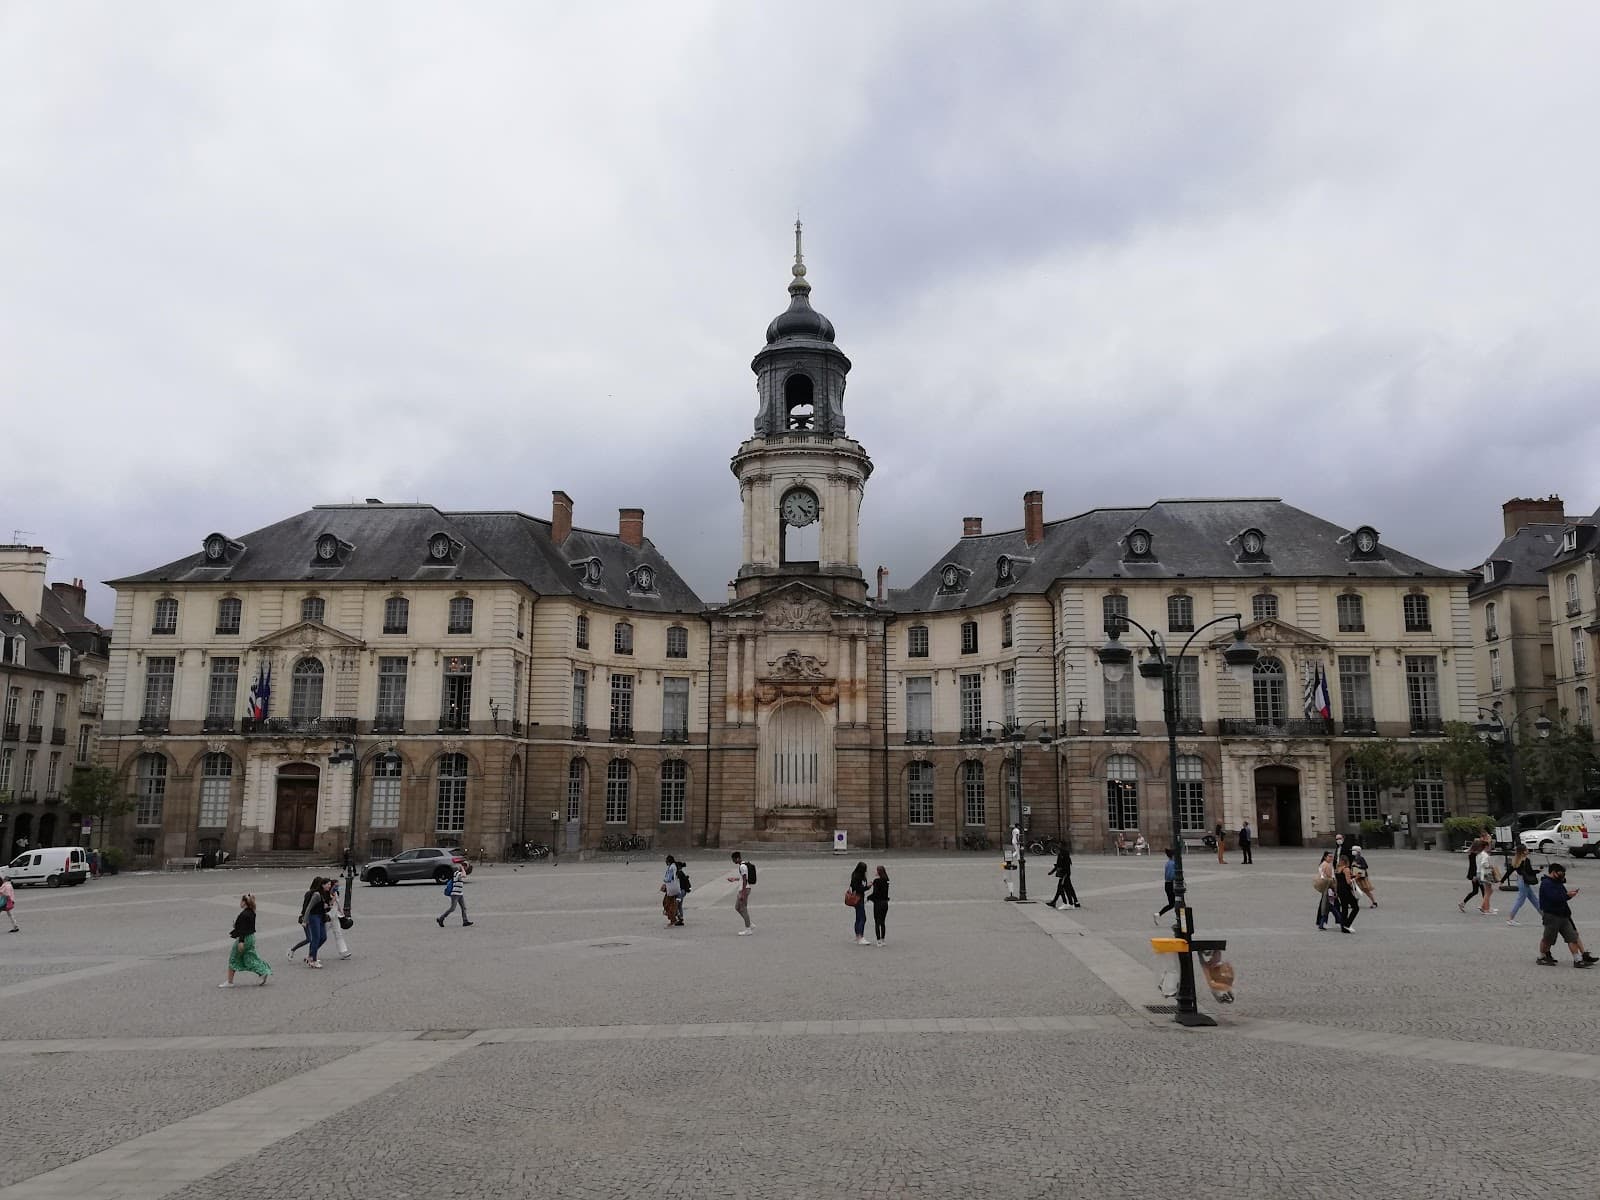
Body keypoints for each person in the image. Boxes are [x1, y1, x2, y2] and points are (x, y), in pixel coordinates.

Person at [1537, 863, 1597, 968]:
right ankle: (1542, 956)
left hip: (1564, 915)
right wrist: (1566, 895)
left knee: (1572, 937)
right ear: (1553, 872)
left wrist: (1569, 895)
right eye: (1560, 873)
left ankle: (1577, 960)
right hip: (1551, 915)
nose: (1562, 875)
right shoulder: (1546, 883)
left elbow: (1562, 897)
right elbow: (1553, 898)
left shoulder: (1558, 883)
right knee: (1548, 939)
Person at [219, 894, 272, 987]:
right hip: (251, 937)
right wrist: (237, 926)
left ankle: (229, 982)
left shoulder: (243, 914)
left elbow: (243, 929)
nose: (240, 903)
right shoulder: (252, 912)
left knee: (233, 958)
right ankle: (263, 972)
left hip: (245, 938)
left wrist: (241, 942)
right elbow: (246, 926)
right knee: (251, 958)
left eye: (241, 901)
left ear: (244, 902)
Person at [288, 876, 326, 960]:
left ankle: (310, 954)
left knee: (312, 939)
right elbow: (306, 906)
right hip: (307, 917)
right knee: (310, 939)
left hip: (310, 917)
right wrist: (304, 917)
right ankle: (293, 950)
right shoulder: (310, 893)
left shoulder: (317, 893)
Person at [1507, 847, 1540, 926]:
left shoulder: (1516, 860)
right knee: (1520, 900)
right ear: (1523, 852)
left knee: (1534, 899)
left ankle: (1545, 917)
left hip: (1520, 880)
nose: (1528, 851)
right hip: (1525, 881)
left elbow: (1510, 871)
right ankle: (1510, 918)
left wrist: (1502, 881)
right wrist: (1538, 871)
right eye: (1526, 850)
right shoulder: (1526, 860)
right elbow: (1530, 872)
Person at [302, 878, 329, 968]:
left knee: (323, 937)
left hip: (321, 917)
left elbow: (324, 906)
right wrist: (305, 921)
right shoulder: (316, 895)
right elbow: (309, 908)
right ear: (323, 885)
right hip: (314, 917)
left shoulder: (324, 894)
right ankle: (313, 960)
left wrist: (326, 906)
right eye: (328, 884)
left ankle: (310, 955)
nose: (329, 886)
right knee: (316, 938)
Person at [437, 861, 472, 927]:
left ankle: (465, 921)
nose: (466, 869)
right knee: (452, 908)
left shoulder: (459, 873)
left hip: (460, 894)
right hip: (455, 894)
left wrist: (463, 868)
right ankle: (441, 918)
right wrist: (462, 868)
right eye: (466, 867)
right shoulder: (457, 873)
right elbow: (464, 875)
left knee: (464, 908)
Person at [325, 877, 352, 959]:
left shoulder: (336, 893)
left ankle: (343, 951)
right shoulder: (327, 894)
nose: (337, 887)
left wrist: (342, 912)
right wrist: (333, 898)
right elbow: (328, 905)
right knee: (321, 935)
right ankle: (312, 951)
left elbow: (337, 904)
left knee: (338, 933)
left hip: (335, 916)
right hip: (328, 917)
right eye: (335, 886)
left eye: (338, 886)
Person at [1458, 836, 1486, 913]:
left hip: (1474, 874)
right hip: (1476, 874)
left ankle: (1462, 903)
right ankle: (1484, 906)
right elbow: (1474, 866)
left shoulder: (1473, 853)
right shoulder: (1474, 855)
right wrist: (1475, 876)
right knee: (1483, 890)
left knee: (1475, 891)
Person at [727, 851, 753, 935]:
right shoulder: (743, 865)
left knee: (743, 908)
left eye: (733, 859)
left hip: (744, 889)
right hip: (743, 888)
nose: (733, 861)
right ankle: (749, 923)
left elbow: (745, 880)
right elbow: (743, 878)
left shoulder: (742, 867)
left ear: (737, 858)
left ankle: (748, 929)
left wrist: (743, 893)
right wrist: (734, 879)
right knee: (737, 907)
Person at [1047, 842, 1079, 909]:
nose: (1056, 850)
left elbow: (1061, 865)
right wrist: (1052, 871)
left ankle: (1068, 903)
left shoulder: (1063, 854)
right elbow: (1059, 864)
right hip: (1065, 873)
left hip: (1064, 874)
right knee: (1068, 887)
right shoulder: (1062, 853)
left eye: (1059, 845)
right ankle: (1075, 901)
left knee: (1061, 888)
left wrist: (1054, 871)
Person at [1335, 854, 1360, 934]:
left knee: (1344, 908)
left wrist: (1336, 891)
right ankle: (1347, 924)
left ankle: (1343, 927)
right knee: (1355, 907)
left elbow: (1337, 880)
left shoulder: (1337, 869)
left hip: (1340, 890)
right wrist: (1356, 878)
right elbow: (1348, 882)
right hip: (1346, 890)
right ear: (1347, 861)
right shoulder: (1346, 869)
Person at [1315, 852, 1340, 930]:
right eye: (1329, 856)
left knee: (1329, 906)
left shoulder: (1325, 864)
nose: (1331, 858)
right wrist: (1334, 888)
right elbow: (1328, 877)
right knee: (1331, 906)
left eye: (1332, 856)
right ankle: (1339, 921)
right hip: (1329, 888)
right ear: (1325, 857)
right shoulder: (1326, 865)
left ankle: (1322, 923)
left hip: (1326, 888)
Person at [1152, 849, 1177, 924]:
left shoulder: (1168, 863)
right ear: (1173, 856)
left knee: (1173, 903)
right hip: (1171, 885)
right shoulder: (1172, 864)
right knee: (1176, 903)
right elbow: (1170, 876)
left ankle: (1158, 914)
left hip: (1168, 885)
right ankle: (1180, 919)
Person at [1476, 837, 1499, 917]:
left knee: (1489, 890)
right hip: (1485, 873)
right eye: (1488, 846)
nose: (1490, 847)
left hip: (1479, 873)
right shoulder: (1485, 855)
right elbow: (1484, 864)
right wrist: (1490, 866)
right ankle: (1486, 908)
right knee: (1488, 891)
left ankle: (1484, 906)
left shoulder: (1479, 854)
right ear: (1485, 847)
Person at [849, 860, 870, 944]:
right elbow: (858, 889)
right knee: (862, 918)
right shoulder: (856, 877)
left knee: (858, 917)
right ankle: (860, 936)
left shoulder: (857, 875)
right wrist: (867, 887)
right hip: (858, 898)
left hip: (859, 898)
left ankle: (857, 935)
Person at [868, 866, 890, 944]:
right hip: (885, 903)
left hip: (878, 903)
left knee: (877, 922)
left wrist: (868, 898)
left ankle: (878, 940)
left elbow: (875, 893)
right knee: (883, 922)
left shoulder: (877, 881)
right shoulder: (887, 880)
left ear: (879, 872)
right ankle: (883, 939)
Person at [661, 854, 682, 928]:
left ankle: (673, 919)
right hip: (674, 888)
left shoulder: (671, 867)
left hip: (671, 889)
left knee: (667, 904)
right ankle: (674, 917)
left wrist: (664, 881)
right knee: (669, 903)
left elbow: (669, 878)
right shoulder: (674, 866)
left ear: (668, 861)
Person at [674, 860, 691, 926]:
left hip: (680, 891)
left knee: (676, 904)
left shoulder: (679, 873)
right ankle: (680, 918)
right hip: (683, 891)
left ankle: (679, 918)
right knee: (679, 905)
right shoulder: (682, 873)